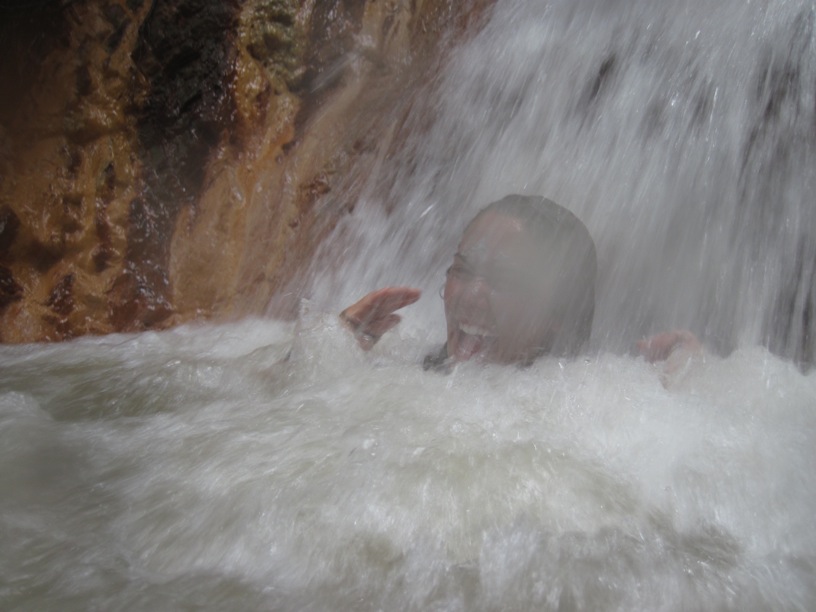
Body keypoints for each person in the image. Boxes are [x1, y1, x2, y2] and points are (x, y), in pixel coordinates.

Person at [339, 194, 700, 369]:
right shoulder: (408, 369)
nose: (472, 294)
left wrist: (690, 372)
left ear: (558, 312)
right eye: (462, 270)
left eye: (504, 279)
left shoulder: (585, 408)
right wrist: (342, 338)